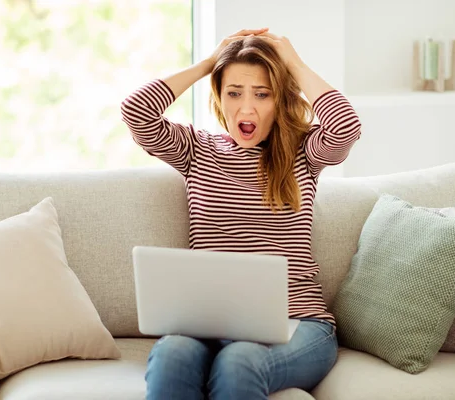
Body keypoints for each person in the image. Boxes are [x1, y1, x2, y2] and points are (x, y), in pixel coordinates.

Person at [121, 27, 361, 400]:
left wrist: (292, 64)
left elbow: (346, 127)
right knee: (172, 352)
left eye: (262, 94)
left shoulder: (305, 154)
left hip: (299, 323)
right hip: (207, 325)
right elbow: (136, 112)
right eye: (234, 93)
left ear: (280, 99)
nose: (246, 108)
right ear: (219, 96)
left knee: (240, 360)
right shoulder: (197, 150)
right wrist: (208, 64)